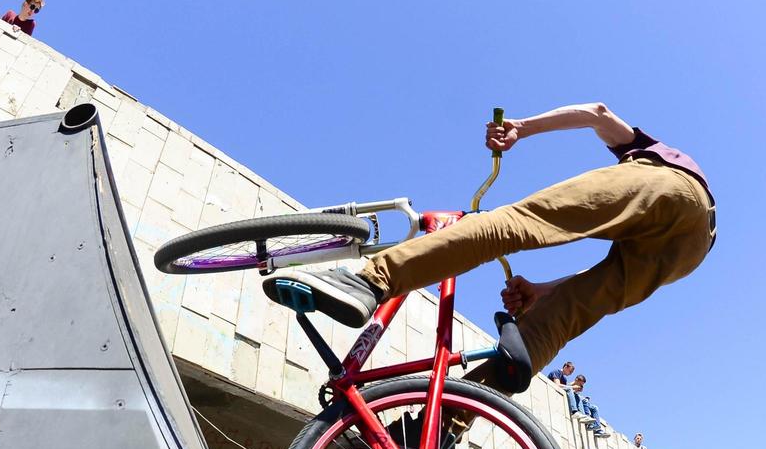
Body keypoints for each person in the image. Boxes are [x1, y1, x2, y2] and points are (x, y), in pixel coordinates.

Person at [266, 103, 715, 395]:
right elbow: (593, 280)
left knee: (512, 225)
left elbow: (597, 113)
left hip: (672, 187)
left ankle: (369, 280)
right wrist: (539, 288)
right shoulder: (676, 213)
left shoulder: (647, 153)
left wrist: (521, 127)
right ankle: (445, 424)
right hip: (692, 250)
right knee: (564, 315)